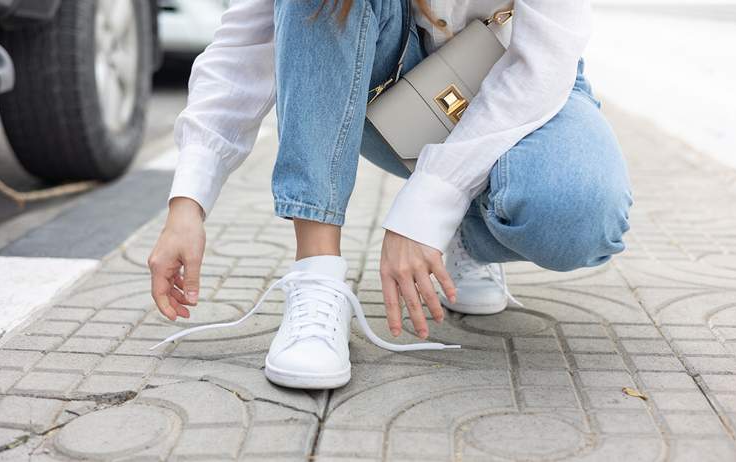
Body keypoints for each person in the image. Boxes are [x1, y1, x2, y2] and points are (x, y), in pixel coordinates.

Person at [148, 0, 632, 390]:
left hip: (519, 74)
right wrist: (187, 202)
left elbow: (540, 68)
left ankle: (465, 236)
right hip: (386, 78)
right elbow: (247, 43)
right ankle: (317, 279)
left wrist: (424, 211)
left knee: (578, 211)